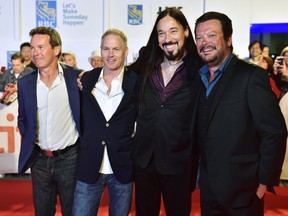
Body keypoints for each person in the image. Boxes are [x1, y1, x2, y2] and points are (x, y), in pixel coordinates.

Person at [193, 11, 287, 215]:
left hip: (244, 189)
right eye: (199, 37)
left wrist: (264, 180)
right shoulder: (198, 78)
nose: (204, 42)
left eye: (211, 35)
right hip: (209, 190)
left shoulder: (251, 76)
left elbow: (274, 132)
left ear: (228, 39)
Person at [131, 7, 202, 216]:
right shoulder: (147, 60)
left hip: (179, 160)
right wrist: (88, 76)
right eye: (161, 33)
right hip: (145, 159)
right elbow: (120, 75)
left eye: (173, 31)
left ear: (186, 32)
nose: (167, 38)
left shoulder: (200, 67)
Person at [72, 29, 138, 216]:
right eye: (106, 49)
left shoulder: (137, 82)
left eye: (116, 49)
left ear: (125, 51)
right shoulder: (86, 79)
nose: (110, 55)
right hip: (89, 164)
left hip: (122, 167)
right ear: (100, 50)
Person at [17, 26, 82, 216]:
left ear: (56, 49)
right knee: (43, 212)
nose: (34, 53)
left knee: (73, 211)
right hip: (39, 160)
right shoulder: (25, 83)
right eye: (32, 48)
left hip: (70, 158)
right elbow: (23, 119)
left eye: (40, 47)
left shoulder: (75, 77)